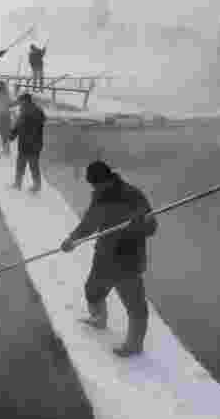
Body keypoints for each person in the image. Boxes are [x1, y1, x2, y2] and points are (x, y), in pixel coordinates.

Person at [60, 160, 158, 357]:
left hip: (127, 259)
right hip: (104, 254)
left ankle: (134, 345)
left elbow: (152, 227)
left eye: (97, 184)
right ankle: (99, 319)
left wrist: (140, 223)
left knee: (135, 306)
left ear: (108, 179)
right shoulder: (99, 196)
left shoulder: (133, 196)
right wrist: (72, 239)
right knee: (93, 291)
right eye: (93, 185)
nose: (95, 188)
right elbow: (89, 223)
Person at [9, 93, 45, 192]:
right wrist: (12, 134)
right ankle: (17, 184)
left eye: (21, 101)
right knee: (20, 164)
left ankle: (37, 186)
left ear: (26, 101)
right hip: (24, 143)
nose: (19, 104)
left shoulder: (37, 111)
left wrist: (25, 128)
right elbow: (18, 125)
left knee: (33, 165)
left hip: (34, 144)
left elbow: (38, 124)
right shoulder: (23, 111)